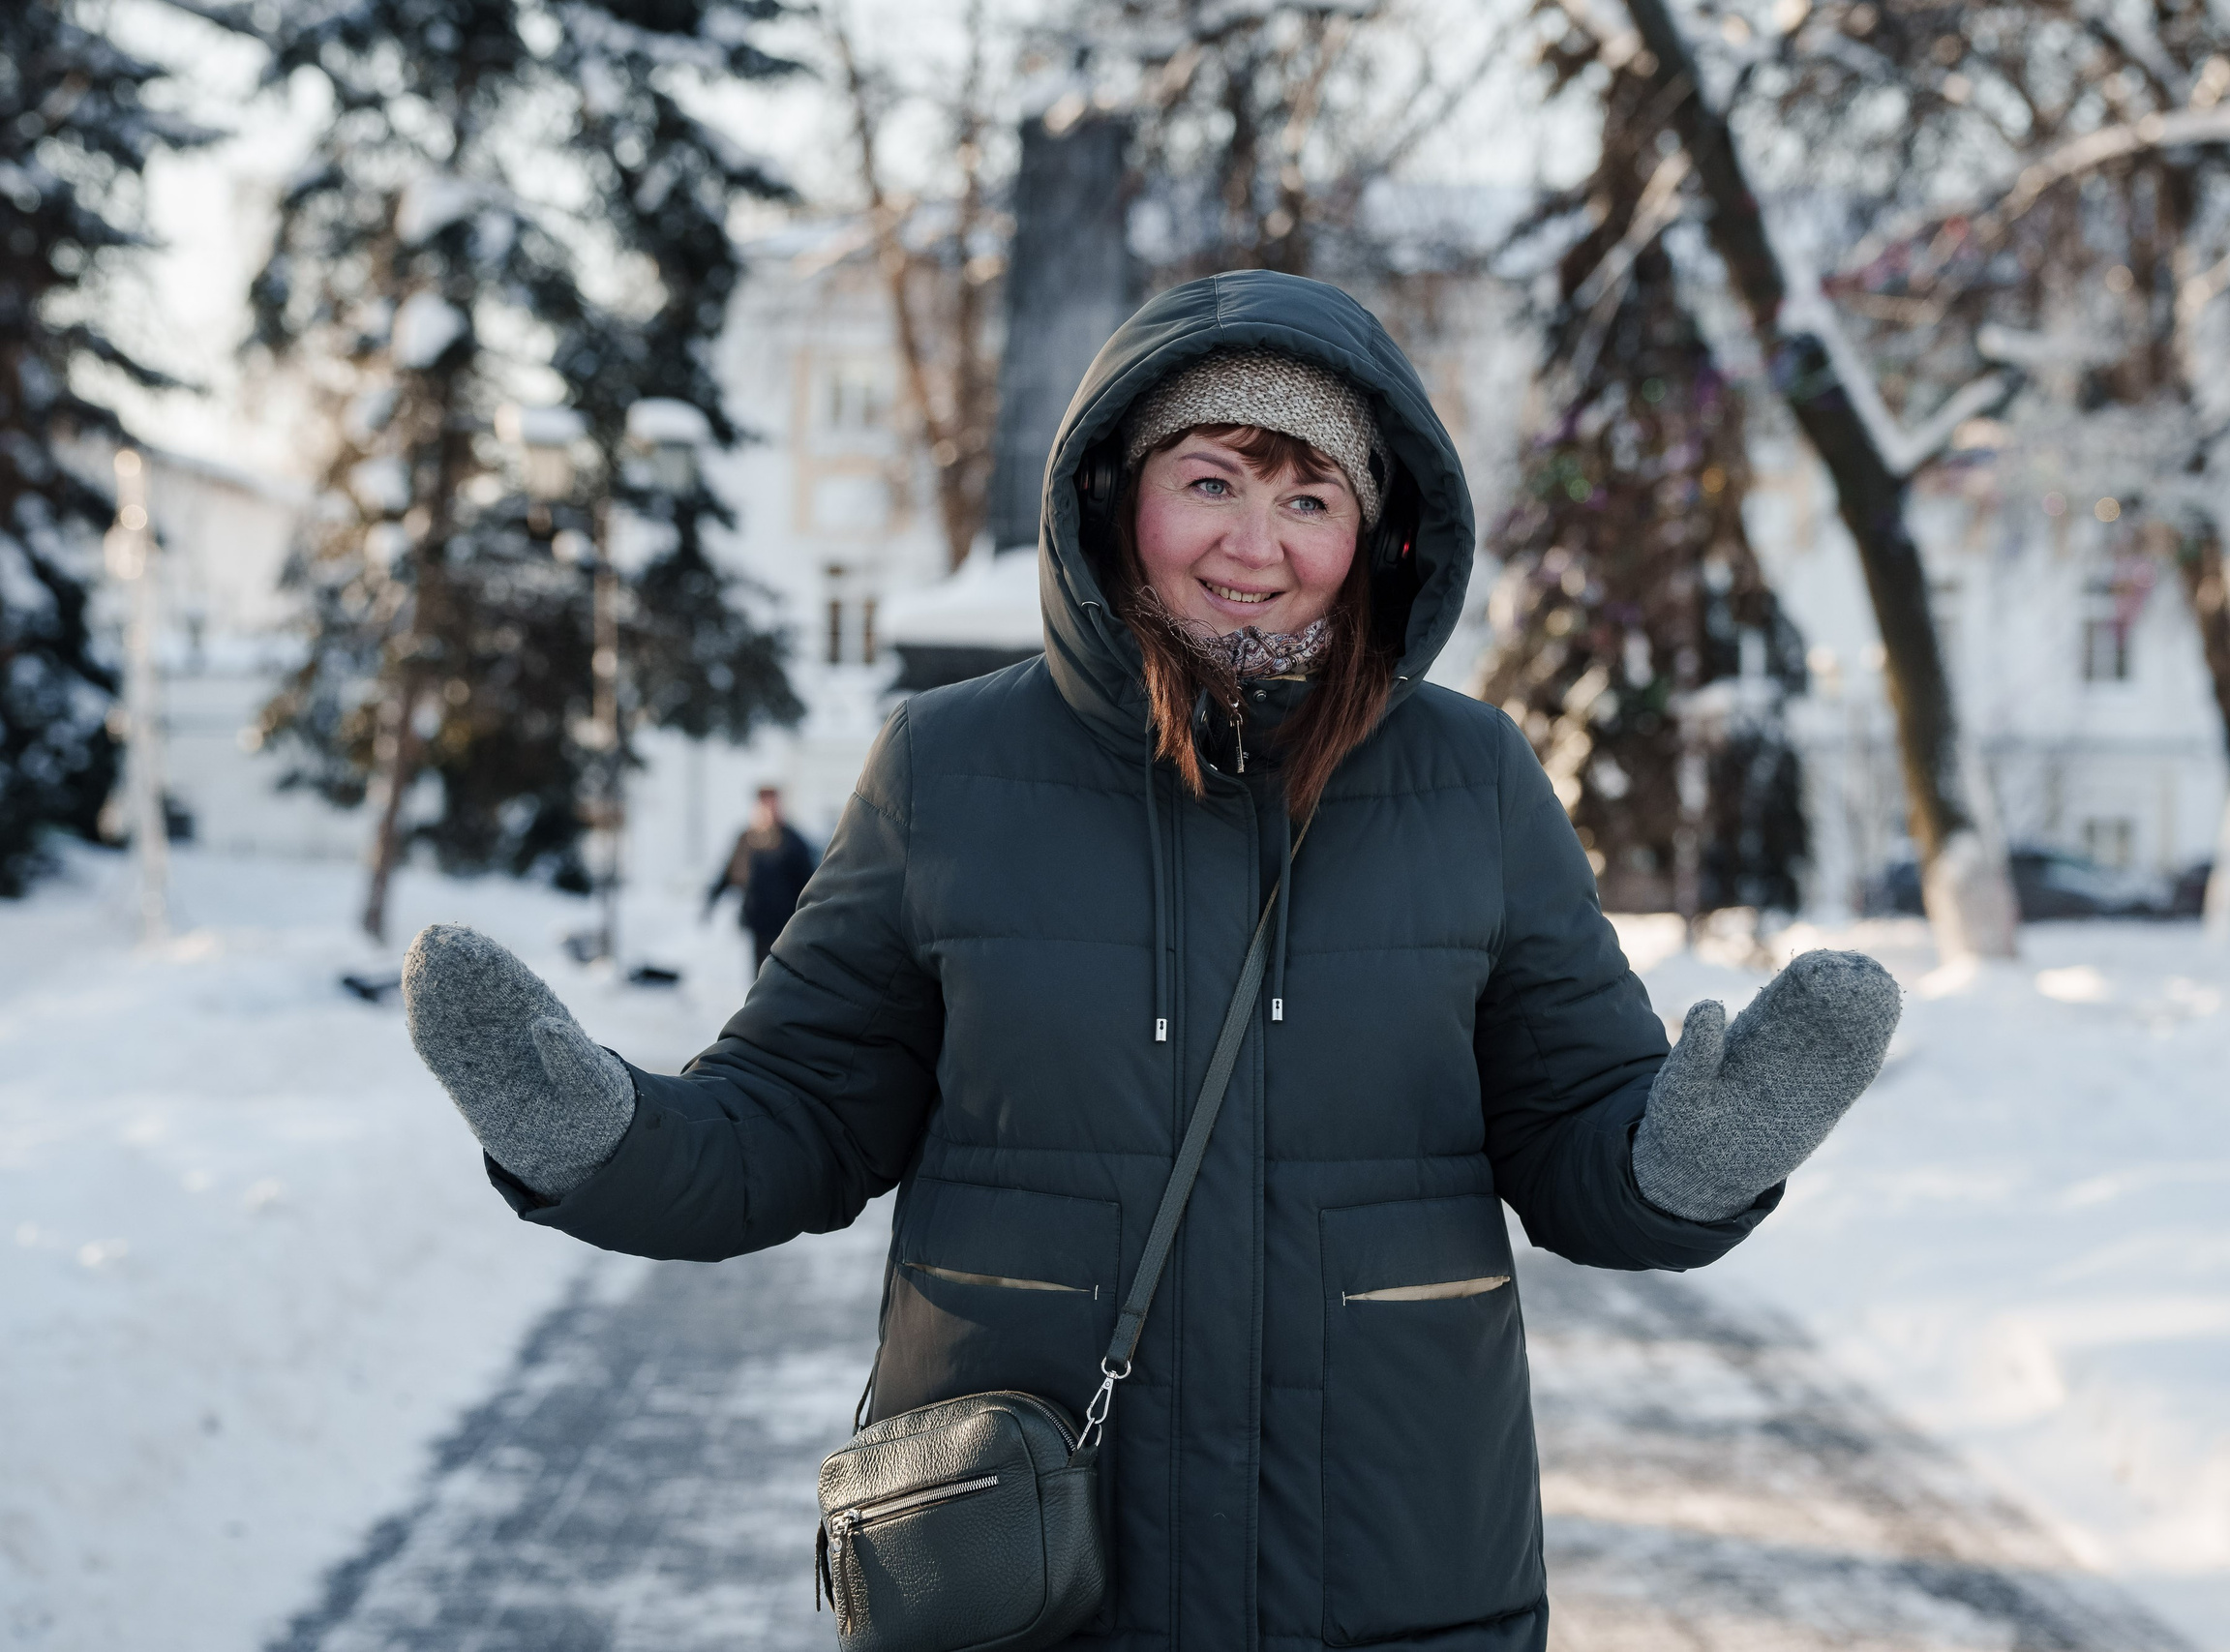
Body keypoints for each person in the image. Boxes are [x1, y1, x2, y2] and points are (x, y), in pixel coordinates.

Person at [398, 271, 1900, 1652]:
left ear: (1373, 536)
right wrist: (596, 1139)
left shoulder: (1474, 778)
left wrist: (1691, 1158)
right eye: (1213, 482)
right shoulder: (950, 766)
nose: (1258, 544)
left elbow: (1579, 1135)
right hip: (1032, 1572)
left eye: (1309, 495)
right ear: (1119, 499)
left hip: (1392, 1574)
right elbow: (791, 1116)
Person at [704, 785, 818, 976]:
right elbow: (729, 873)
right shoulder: (747, 839)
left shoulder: (792, 841)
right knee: (760, 975)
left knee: (782, 975)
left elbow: (808, 881)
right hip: (758, 921)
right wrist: (712, 900)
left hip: (785, 924)